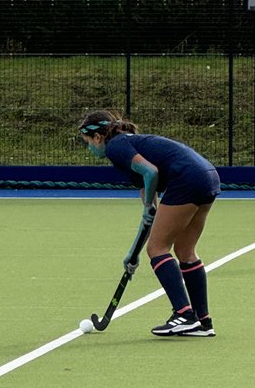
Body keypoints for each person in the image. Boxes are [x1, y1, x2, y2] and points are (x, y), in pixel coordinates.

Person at [77, 109, 219, 337]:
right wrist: (132, 254)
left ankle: (184, 314)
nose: (90, 148)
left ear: (97, 137)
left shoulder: (116, 146)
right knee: (185, 251)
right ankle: (203, 322)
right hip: (207, 175)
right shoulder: (132, 148)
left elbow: (151, 172)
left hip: (187, 179)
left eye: (87, 142)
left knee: (157, 250)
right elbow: (150, 213)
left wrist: (147, 210)